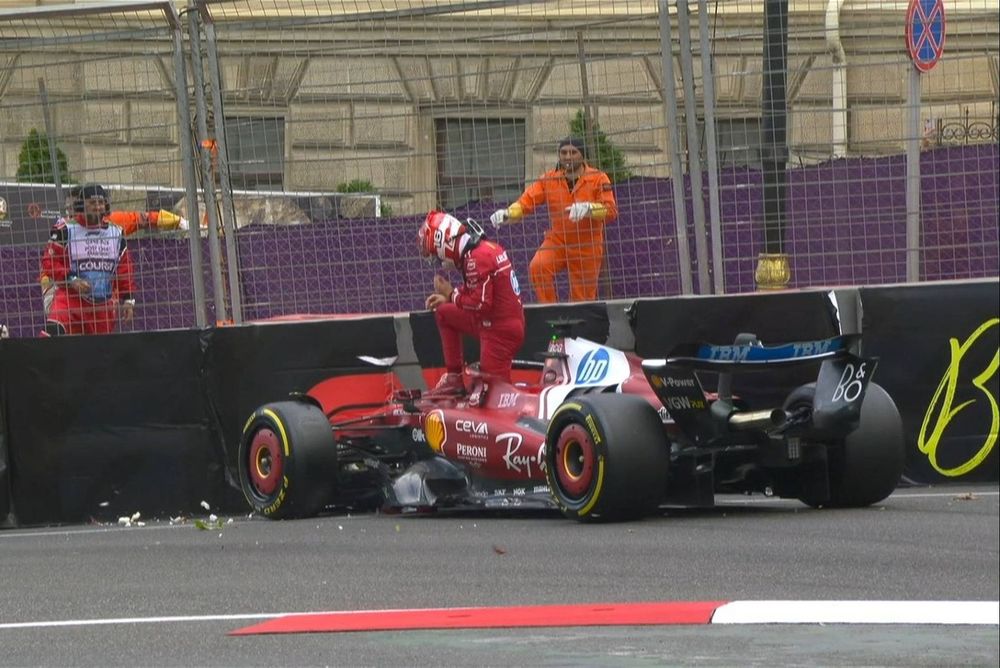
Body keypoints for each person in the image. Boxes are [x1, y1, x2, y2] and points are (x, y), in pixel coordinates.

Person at [490, 136, 618, 303]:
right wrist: (508, 213)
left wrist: (589, 209)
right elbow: (527, 201)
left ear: (583, 155)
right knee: (538, 267)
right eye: (563, 152)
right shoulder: (549, 179)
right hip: (557, 240)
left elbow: (611, 210)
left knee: (583, 298)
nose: (568, 156)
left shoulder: (598, 178)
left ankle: (579, 326)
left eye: (573, 152)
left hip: (588, 246)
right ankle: (550, 311)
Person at [418, 210, 525, 396]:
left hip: (499, 331)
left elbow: (481, 303)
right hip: (493, 322)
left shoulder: (476, 258)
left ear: (446, 245)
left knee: (496, 396)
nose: (439, 262)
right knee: (444, 312)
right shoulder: (479, 251)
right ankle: (454, 379)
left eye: (436, 255)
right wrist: (450, 298)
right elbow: (478, 295)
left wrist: (451, 294)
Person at [39, 185, 187, 316]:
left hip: (99, 301)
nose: (72, 212)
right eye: (68, 208)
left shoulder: (111, 225)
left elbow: (142, 218)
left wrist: (179, 221)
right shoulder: (64, 229)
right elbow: (49, 264)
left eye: (75, 207)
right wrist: (50, 286)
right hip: (66, 297)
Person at [39, 183, 136, 336]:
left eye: (100, 202)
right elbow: (49, 262)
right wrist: (71, 279)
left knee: (99, 354)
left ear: (106, 205)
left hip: (102, 305)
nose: (97, 207)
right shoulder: (65, 229)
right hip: (70, 299)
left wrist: (128, 300)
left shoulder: (116, 233)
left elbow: (124, 269)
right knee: (50, 335)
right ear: (81, 205)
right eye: (92, 203)